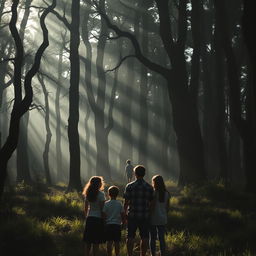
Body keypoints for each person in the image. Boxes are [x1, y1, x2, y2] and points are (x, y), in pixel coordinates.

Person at [123, 165, 154, 256]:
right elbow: (151, 203)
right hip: (144, 215)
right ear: (144, 174)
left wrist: (124, 214)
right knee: (144, 237)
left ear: (135, 174)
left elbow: (126, 202)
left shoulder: (129, 186)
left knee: (130, 236)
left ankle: (130, 254)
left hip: (132, 215)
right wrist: (150, 214)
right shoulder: (149, 187)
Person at [82, 176, 106, 256]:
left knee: (88, 241)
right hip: (98, 219)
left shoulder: (87, 193)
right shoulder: (101, 194)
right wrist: (104, 220)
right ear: (99, 184)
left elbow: (85, 208)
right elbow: (102, 209)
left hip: (89, 218)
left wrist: (86, 217)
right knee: (96, 242)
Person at [149, 175, 170, 256]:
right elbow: (167, 208)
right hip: (163, 218)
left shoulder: (154, 193)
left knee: (152, 238)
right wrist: (164, 214)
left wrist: (149, 216)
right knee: (162, 238)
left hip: (153, 218)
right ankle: (162, 253)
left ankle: (153, 254)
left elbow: (152, 207)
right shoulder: (166, 193)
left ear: (154, 183)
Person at [103, 186, 125, 256]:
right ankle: (117, 254)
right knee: (117, 242)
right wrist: (123, 223)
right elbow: (122, 215)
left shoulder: (106, 204)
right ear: (117, 194)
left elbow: (104, 215)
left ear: (109, 194)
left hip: (108, 224)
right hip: (117, 225)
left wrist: (104, 223)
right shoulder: (119, 204)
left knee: (109, 242)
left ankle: (109, 254)